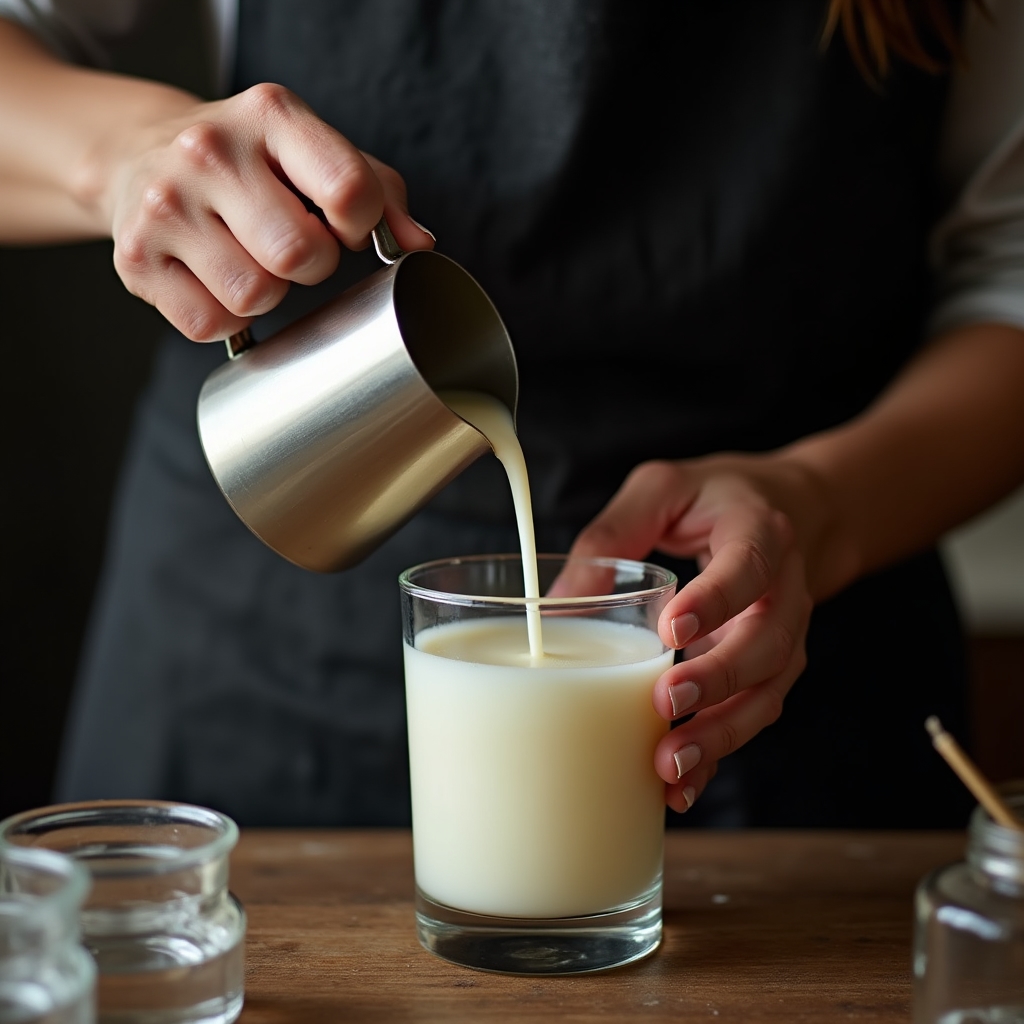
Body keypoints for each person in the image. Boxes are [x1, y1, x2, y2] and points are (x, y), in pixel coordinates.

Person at [1, 0, 1021, 828]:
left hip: (763, 674)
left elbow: (1008, 274)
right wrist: (121, 153)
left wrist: (820, 504)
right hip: (254, 656)